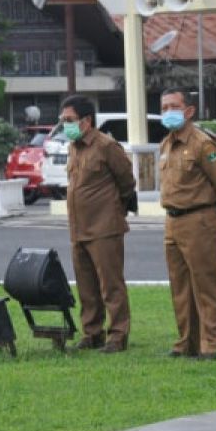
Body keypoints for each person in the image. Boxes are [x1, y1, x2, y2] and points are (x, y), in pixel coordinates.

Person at [159, 88, 216, 360]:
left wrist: (212, 211)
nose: (168, 112)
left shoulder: (203, 143)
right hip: (172, 221)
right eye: (164, 107)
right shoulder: (166, 144)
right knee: (180, 287)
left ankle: (211, 344)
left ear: (189, 111)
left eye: (173, 107)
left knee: (206, 284)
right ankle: (186, 342)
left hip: (199, 219)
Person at [60, 95, 137, 353]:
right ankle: (91, 333)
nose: (65, 125)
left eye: (69, 120)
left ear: (86, 121)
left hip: (104, 227)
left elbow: (126, 181)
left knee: (110, 285)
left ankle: (117, 336)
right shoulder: (73, 147)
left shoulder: (106, 146)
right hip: (79, 229)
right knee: (86, 286)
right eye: (63, 120)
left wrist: (115, 209)